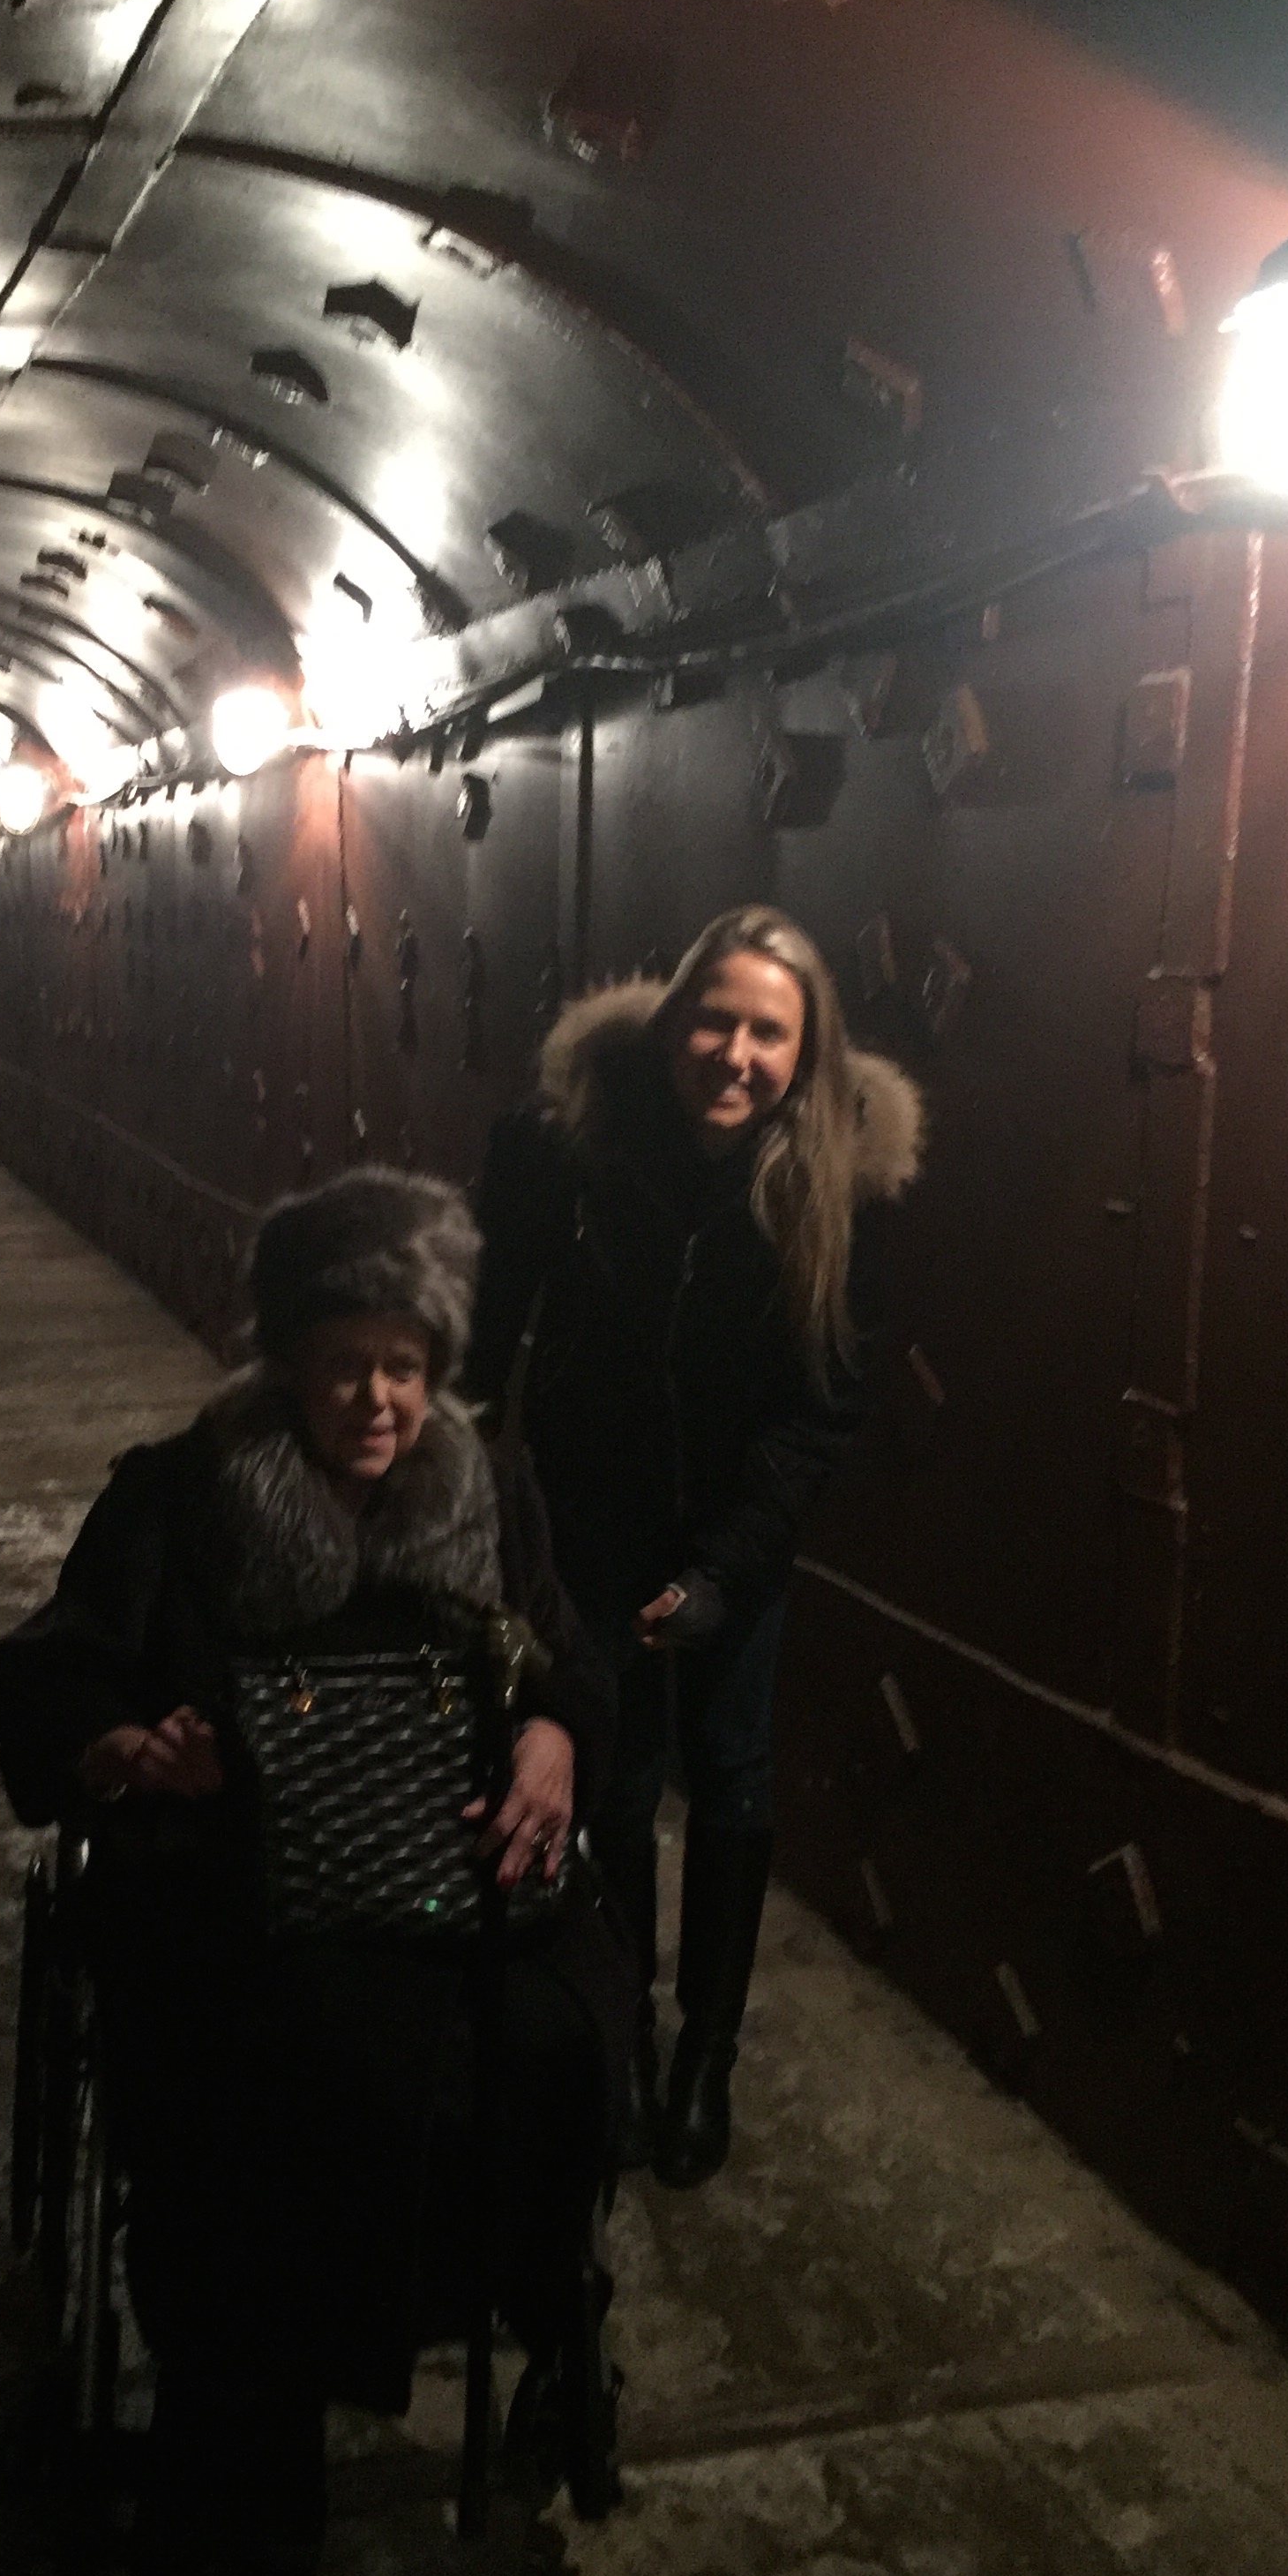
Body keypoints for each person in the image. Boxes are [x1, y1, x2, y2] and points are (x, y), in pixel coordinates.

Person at [0, 1168, 634, 2576]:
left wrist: (552, 1737)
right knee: (256, 2081)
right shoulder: (179, 1496)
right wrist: (123, 1747)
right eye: (343, 1365)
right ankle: (241, 2449)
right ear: (285, 1362)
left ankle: (544, 2311)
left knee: (555, 2042)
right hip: (234, 1891)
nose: (377, 1401)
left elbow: (575, 1663)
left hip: (446, 1881)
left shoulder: (490, 1493)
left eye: (404, 1365)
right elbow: (44, 1672)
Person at [467, 905, 925, 2188]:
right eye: (714, 1021)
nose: (736, 1054)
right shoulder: (567, 1145)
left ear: (806, 1053)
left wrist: (724, 1573)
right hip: (589, 1521)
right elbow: (492, 1326)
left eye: (769, 1034)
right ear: (672, 1021)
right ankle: (619, 2028)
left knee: (729, 1781)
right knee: (609, 1781)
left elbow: (818, 1409)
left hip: (735, 1538)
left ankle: (705, 2058)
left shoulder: (836, 1187)